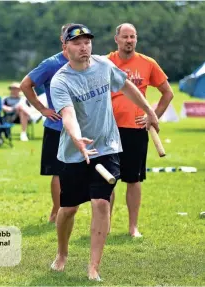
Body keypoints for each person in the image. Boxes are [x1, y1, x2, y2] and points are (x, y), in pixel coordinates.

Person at [49, 24, 159, 280]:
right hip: (75, 152)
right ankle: (62, 253)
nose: (84, 46)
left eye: (87, 41)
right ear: (65, 48)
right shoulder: (61, 80)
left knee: (101, 203)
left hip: (107, 147)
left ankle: (93, 267)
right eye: (77, 43)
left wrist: (150, 111)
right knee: (69, 209)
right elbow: (67, 115)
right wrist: (77, 138)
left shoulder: (104, 66)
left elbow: (127, 86)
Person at [108, 23, 174, 237]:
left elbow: (167, 93)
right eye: (125, 36)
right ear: (116, 39)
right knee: (107, 179)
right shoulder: (105, 63)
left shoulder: (147, 63)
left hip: (136, 130)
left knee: (133, 179)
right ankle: (104, 225)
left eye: (133, 37)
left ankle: (133, 227)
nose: (129, 40)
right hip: (108, 130)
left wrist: (153, 116)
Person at [20, 23, 72, 223]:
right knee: (58, 173)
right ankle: (56, 212)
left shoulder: (88, 62)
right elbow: (26, 84)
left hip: (83, 128)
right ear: (63, 40)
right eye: (71, 38)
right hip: (57, 127)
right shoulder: (51, 64)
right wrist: (42, 109)